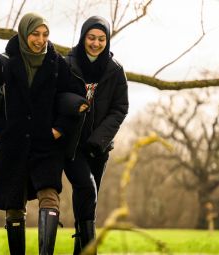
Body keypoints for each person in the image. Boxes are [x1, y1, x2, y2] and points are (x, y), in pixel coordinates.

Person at [0, 12, 78, 255]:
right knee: (13, 205)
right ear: (24, 33)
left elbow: (72, 98)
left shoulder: (57, 63)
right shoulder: (4, 62)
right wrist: (2, 131)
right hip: (14, 145)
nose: (40, 40)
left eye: (45, 34)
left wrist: (59, 129)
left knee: (50, 196)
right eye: (35, 34)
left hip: (47, 144)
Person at [63, 16, 129, 254]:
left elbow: (120, 108)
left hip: (98, 147)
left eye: (101, 39)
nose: (96, 43)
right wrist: (75, 103)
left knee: (87, 197)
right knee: (87, 189)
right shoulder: (66, 64)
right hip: (71, 145)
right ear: (83, 38)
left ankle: (79, 250)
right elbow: (56, 97)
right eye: (91, 38)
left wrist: (98, 140)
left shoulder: (115, 71)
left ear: (107, 40)